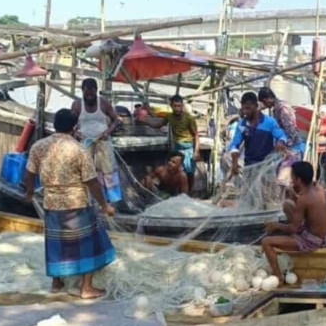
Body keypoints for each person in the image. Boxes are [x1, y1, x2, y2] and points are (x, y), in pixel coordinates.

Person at [24, 109, 116, 299]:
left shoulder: (38, 146)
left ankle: (56, 283)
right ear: (74, 128)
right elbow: (91, 181)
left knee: (56, 242)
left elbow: (29, 172)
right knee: (89, 242)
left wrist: (29, 192)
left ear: (55, 125)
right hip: (76, 203)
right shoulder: (79, 149)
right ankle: (86, 287)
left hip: (51, 203)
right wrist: (105, 205)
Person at [261, 161, 326, 284]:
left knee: (266, 242)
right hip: (323, 237)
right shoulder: (320, 189)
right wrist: (293, 195)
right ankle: (292, 239)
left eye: (292, 177)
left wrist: (275, 225)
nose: (291, 179)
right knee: (287, 205)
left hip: (312, 241)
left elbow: (294, 228)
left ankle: (278, 277)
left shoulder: (304, 200)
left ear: (298, 179)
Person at [71, 78, 123, 204]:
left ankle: (112, 200)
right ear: (82, 91)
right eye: (86, 93)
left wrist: (108, 132)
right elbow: (71, 124)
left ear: (96, 91)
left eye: (91, 93)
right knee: (88, 171)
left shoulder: (104, 103)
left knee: (108, 170)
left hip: (103, 142)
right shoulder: (77, 104)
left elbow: (117, 120)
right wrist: (75, 132)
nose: (89, 96)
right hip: (86, 142)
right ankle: (91, 199)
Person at [138, 94, 200, 191]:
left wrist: (196, 152)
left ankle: (189, 194)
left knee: (189, 172)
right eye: (175, 106)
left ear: (182, 106)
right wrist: (146, 121)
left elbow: (196, 135)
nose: (177, 109)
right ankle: (174, 192)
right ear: (171, 106)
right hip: (177, 147)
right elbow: (158, 125)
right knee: (172, 170)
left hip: (188, 147)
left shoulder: (189, 118)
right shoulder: (169, 116)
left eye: (179, 106)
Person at [227, 92, 289, 176]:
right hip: (249, 167)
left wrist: (280, 142)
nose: (245, 112)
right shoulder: (242, 124)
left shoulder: (269, 122)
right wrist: (234, 162)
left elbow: (281, 136)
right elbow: (234, 144)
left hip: (267, 167)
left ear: (256, 106)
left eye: (248, 108)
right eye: (243, 109)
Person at [258, 87, 305, 157]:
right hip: (285, 143)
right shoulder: (277, 108)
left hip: (292, 145)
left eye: (264, 103)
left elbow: (291, 131)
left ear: (267, 100)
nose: (266, 106)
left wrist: (284, 144)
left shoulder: (283, 109)